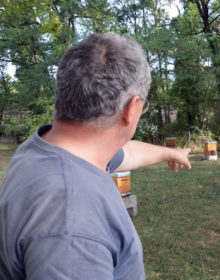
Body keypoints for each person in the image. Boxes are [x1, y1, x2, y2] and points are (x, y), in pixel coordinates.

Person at [0, 33, 191, 280]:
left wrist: (171, 152)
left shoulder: (45, 148)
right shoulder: (71, 222)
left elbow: (126, 152)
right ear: (132, 109)